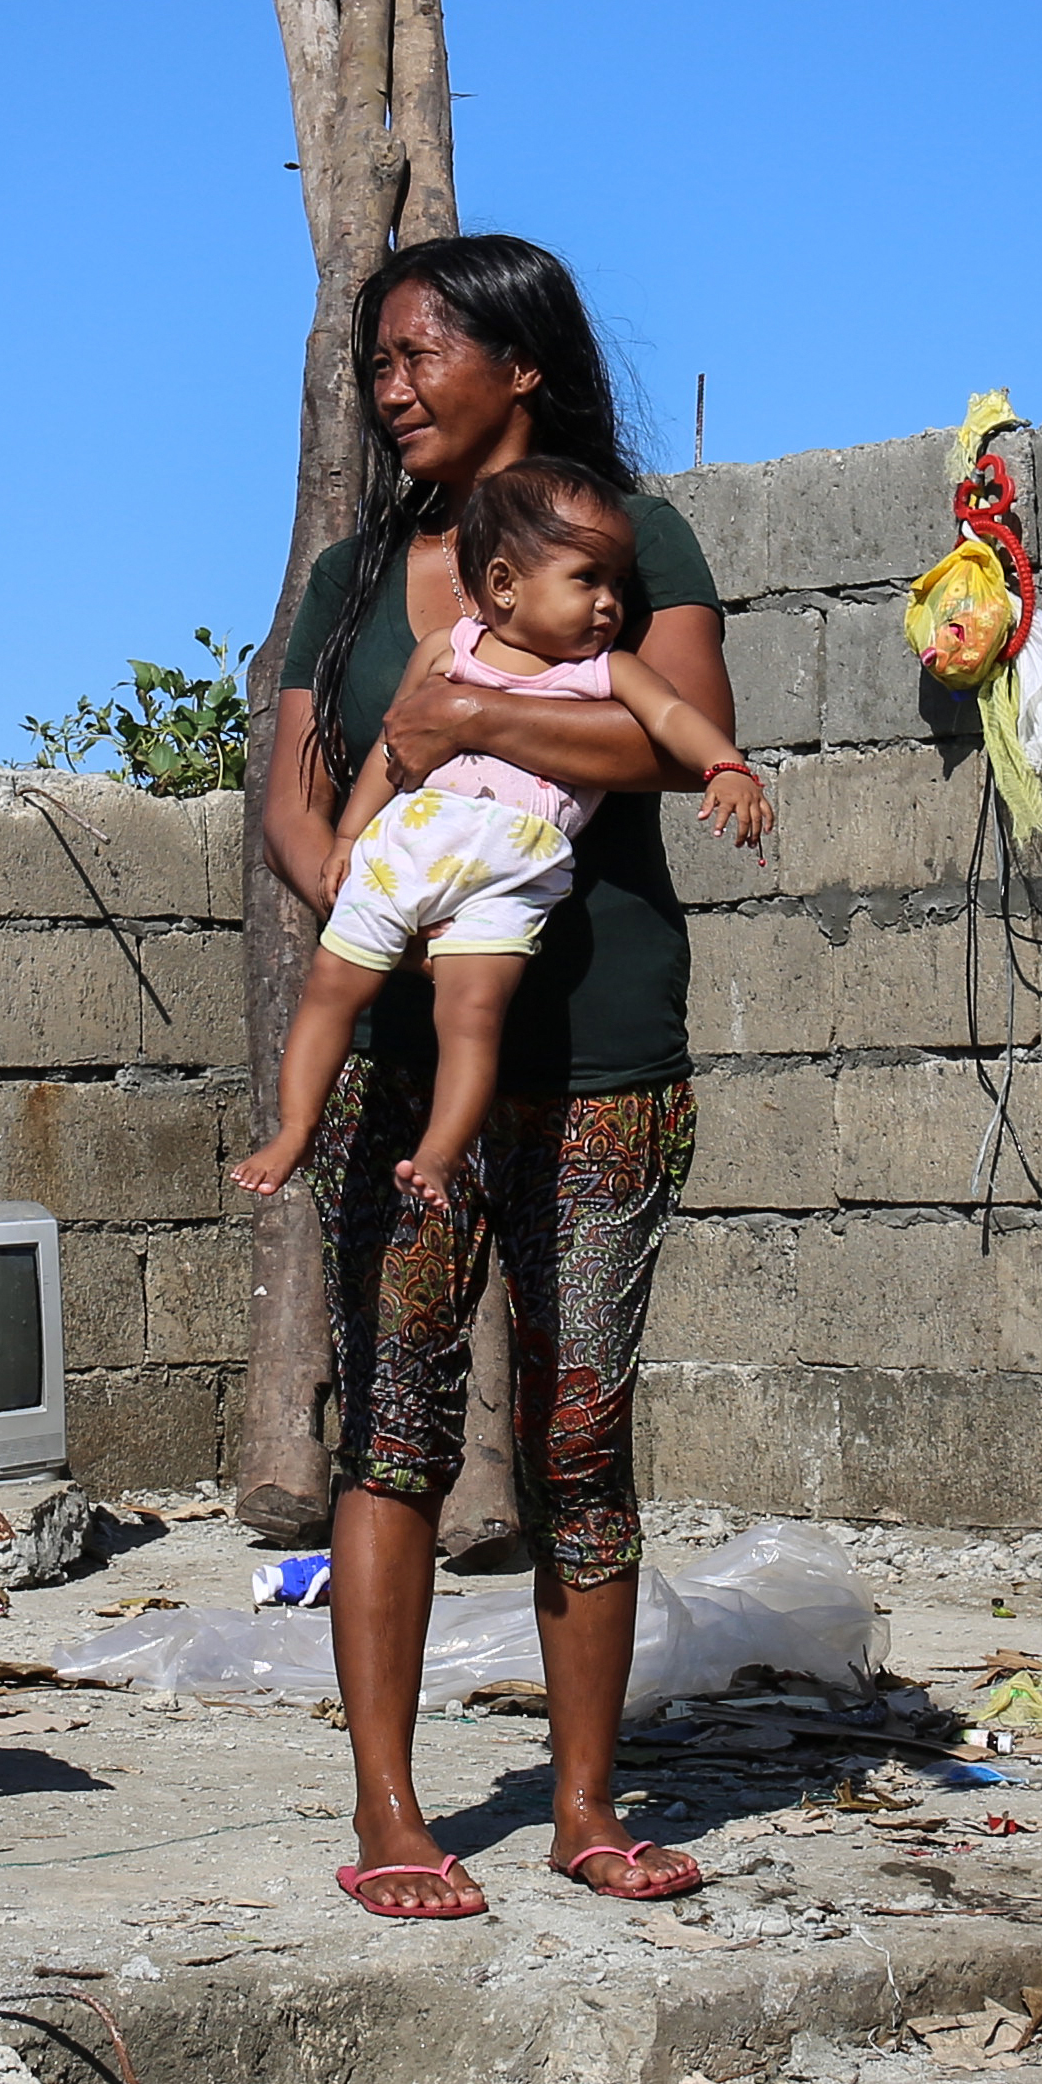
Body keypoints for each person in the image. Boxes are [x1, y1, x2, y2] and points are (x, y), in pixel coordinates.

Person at [256, 235, 735, 1923]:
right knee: (389, 1431)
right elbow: (295, 793)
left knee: (578, 1432)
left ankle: (587, 1806)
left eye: (420, 352)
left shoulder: (628, 538)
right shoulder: (349, 581)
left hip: (601, 1056)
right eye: (376, 360)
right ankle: (392, 1808)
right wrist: (364, 900)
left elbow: (664, 741)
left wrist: (461, 735)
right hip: (399, 1061)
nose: (390, 388)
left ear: (517, 362)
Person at [232, 453, 768, 1214]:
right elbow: (395, 750)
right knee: (330, 988)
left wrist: (726, 769)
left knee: (471, 1012)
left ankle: (441, 1152)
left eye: (617, 583)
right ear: (507, 584)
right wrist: (351, 836)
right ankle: (294, 1129)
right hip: (409, 850)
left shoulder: (606, 674)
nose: (610, 603)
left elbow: (680, 720)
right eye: (588, 580)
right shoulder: (448, 651)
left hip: (509, 879)